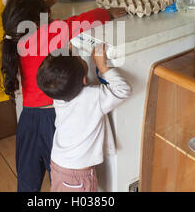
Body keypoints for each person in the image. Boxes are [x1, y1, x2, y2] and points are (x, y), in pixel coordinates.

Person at [0, 0, 127, 191]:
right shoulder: (49, 33)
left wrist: (47, 2)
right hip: (54, 121)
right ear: (38, 20)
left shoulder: (15, 39)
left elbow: (34, 23)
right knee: (59, 176)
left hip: (28, 120)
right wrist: (108, 13)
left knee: (27, 181)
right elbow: (81, 22)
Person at [36, 44, 132, 192]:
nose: (81, 57)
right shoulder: (93, 97)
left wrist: (68, 54)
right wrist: (103, 67)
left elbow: (60, 76)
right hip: (78, 176)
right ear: (84, 80)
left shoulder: (59, 95)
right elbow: (123, 90)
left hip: (58, 165)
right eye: (80, 58)